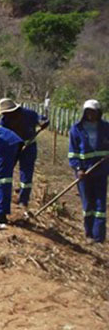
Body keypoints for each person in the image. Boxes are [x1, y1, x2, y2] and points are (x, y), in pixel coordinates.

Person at [68, 99, 109, 244]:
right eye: (88, 112)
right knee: (88, 204)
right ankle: (89, 234)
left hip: (101, 171)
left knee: (100, 204)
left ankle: (99, 236)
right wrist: (78, 169)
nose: (91, 115)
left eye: (94, 112)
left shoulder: (106, 128)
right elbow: (72, 153)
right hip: (84, 172)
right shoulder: (76, 129)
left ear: (99, 113)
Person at [0, 98, 49, 209]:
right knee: (6, 170)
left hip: (29, 146)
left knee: (26, 174)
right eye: (4, 113)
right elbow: (1, 136)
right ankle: (3, 196)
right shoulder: (4, 121)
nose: (6, 115)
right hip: (13, 147)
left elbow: (41, 119)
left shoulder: (29, 114)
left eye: (7, 113)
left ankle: (23, 200)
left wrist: (43, 122)